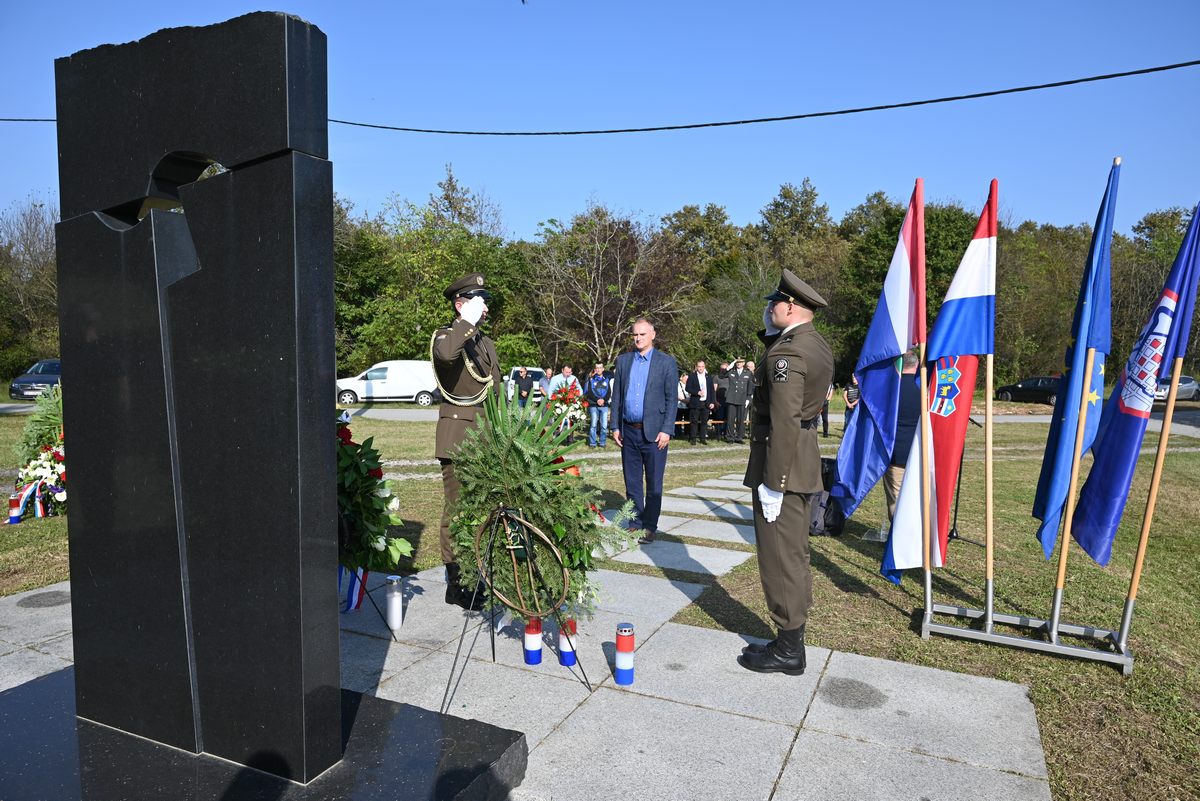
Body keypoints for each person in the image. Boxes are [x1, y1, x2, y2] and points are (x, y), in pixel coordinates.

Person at [738, 269, 833, 676]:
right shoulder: (814, 345)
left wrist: (772, 484)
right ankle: (789, 640)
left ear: (790, 306)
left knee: (780, 558)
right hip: (800, 462)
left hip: (783, 468)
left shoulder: (787, 354)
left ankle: (789, 649)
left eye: (773, 303)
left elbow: (785, 419)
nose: (768, 309)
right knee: (793, 555)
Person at [431, 272, 502, 610]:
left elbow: (494, 387)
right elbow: (446, 356)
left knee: (484, 508)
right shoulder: (448, 335)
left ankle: (480, 572)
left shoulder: (484, 341)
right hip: (459, 437)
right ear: (461, 304)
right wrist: (465, 322)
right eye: (478, 300)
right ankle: (457, 582)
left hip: (486, 437)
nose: (485, 307)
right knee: (458, 510)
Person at [609, 318, 679, 545]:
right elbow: (617, 396)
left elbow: (671, 400)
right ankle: (634, 524)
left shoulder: (666, 363)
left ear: (653, 335)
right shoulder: (623, 361)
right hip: (628, 431)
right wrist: (615, 426)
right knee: (632, 482)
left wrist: (667, 429)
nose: (638, 338)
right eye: (634, 335)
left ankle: (649, 526)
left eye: (642, 334)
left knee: (654, 483)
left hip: (655, 434)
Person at [883, 350, 922, 522]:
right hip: (918, 452)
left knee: (896, 499)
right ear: (917, 364)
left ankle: (897, 540)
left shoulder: (890, 393)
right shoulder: (924, 393)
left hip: (895, 453)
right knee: (917, 497)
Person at [685, 360, 717, 444]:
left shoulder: (708, 377)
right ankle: (693, 438)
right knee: (694, 421)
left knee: (704, 421)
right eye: (699, 366)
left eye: (702, 366)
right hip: (695, 402)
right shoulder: (692, 376)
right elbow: (687, 388)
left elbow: (712, 391)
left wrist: (712, 402)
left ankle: (703, 438)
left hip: (706, 402)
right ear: (696, 367)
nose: (701, 368)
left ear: (704, 367)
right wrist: (697, 392)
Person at [583, 362, 612, 447]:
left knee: (604, 426)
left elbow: (609, 392)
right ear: (595, 369)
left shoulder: (606, 380)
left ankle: (602, 442)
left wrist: (603, 400)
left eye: (600, 367)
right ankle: (593, 442)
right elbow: (590, 392)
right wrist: (597, 400)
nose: (598, 369)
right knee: (593, 425)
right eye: (597, 368)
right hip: (593, 405)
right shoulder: (591, 380)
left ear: (603, 369)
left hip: (604, 405)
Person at [724, 356, 752, 443]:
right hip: (732, 398)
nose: (738, 364)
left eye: (740, 362)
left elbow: (750, 386)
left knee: (741, 419)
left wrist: (748, 397)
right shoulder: (731, 371)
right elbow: (722, 375)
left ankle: (739, 437)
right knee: (730, 419)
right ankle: (729, 437)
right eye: (737, 362)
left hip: (742, 398)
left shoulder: (748, 373)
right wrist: (730, 366)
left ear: (743, 363)